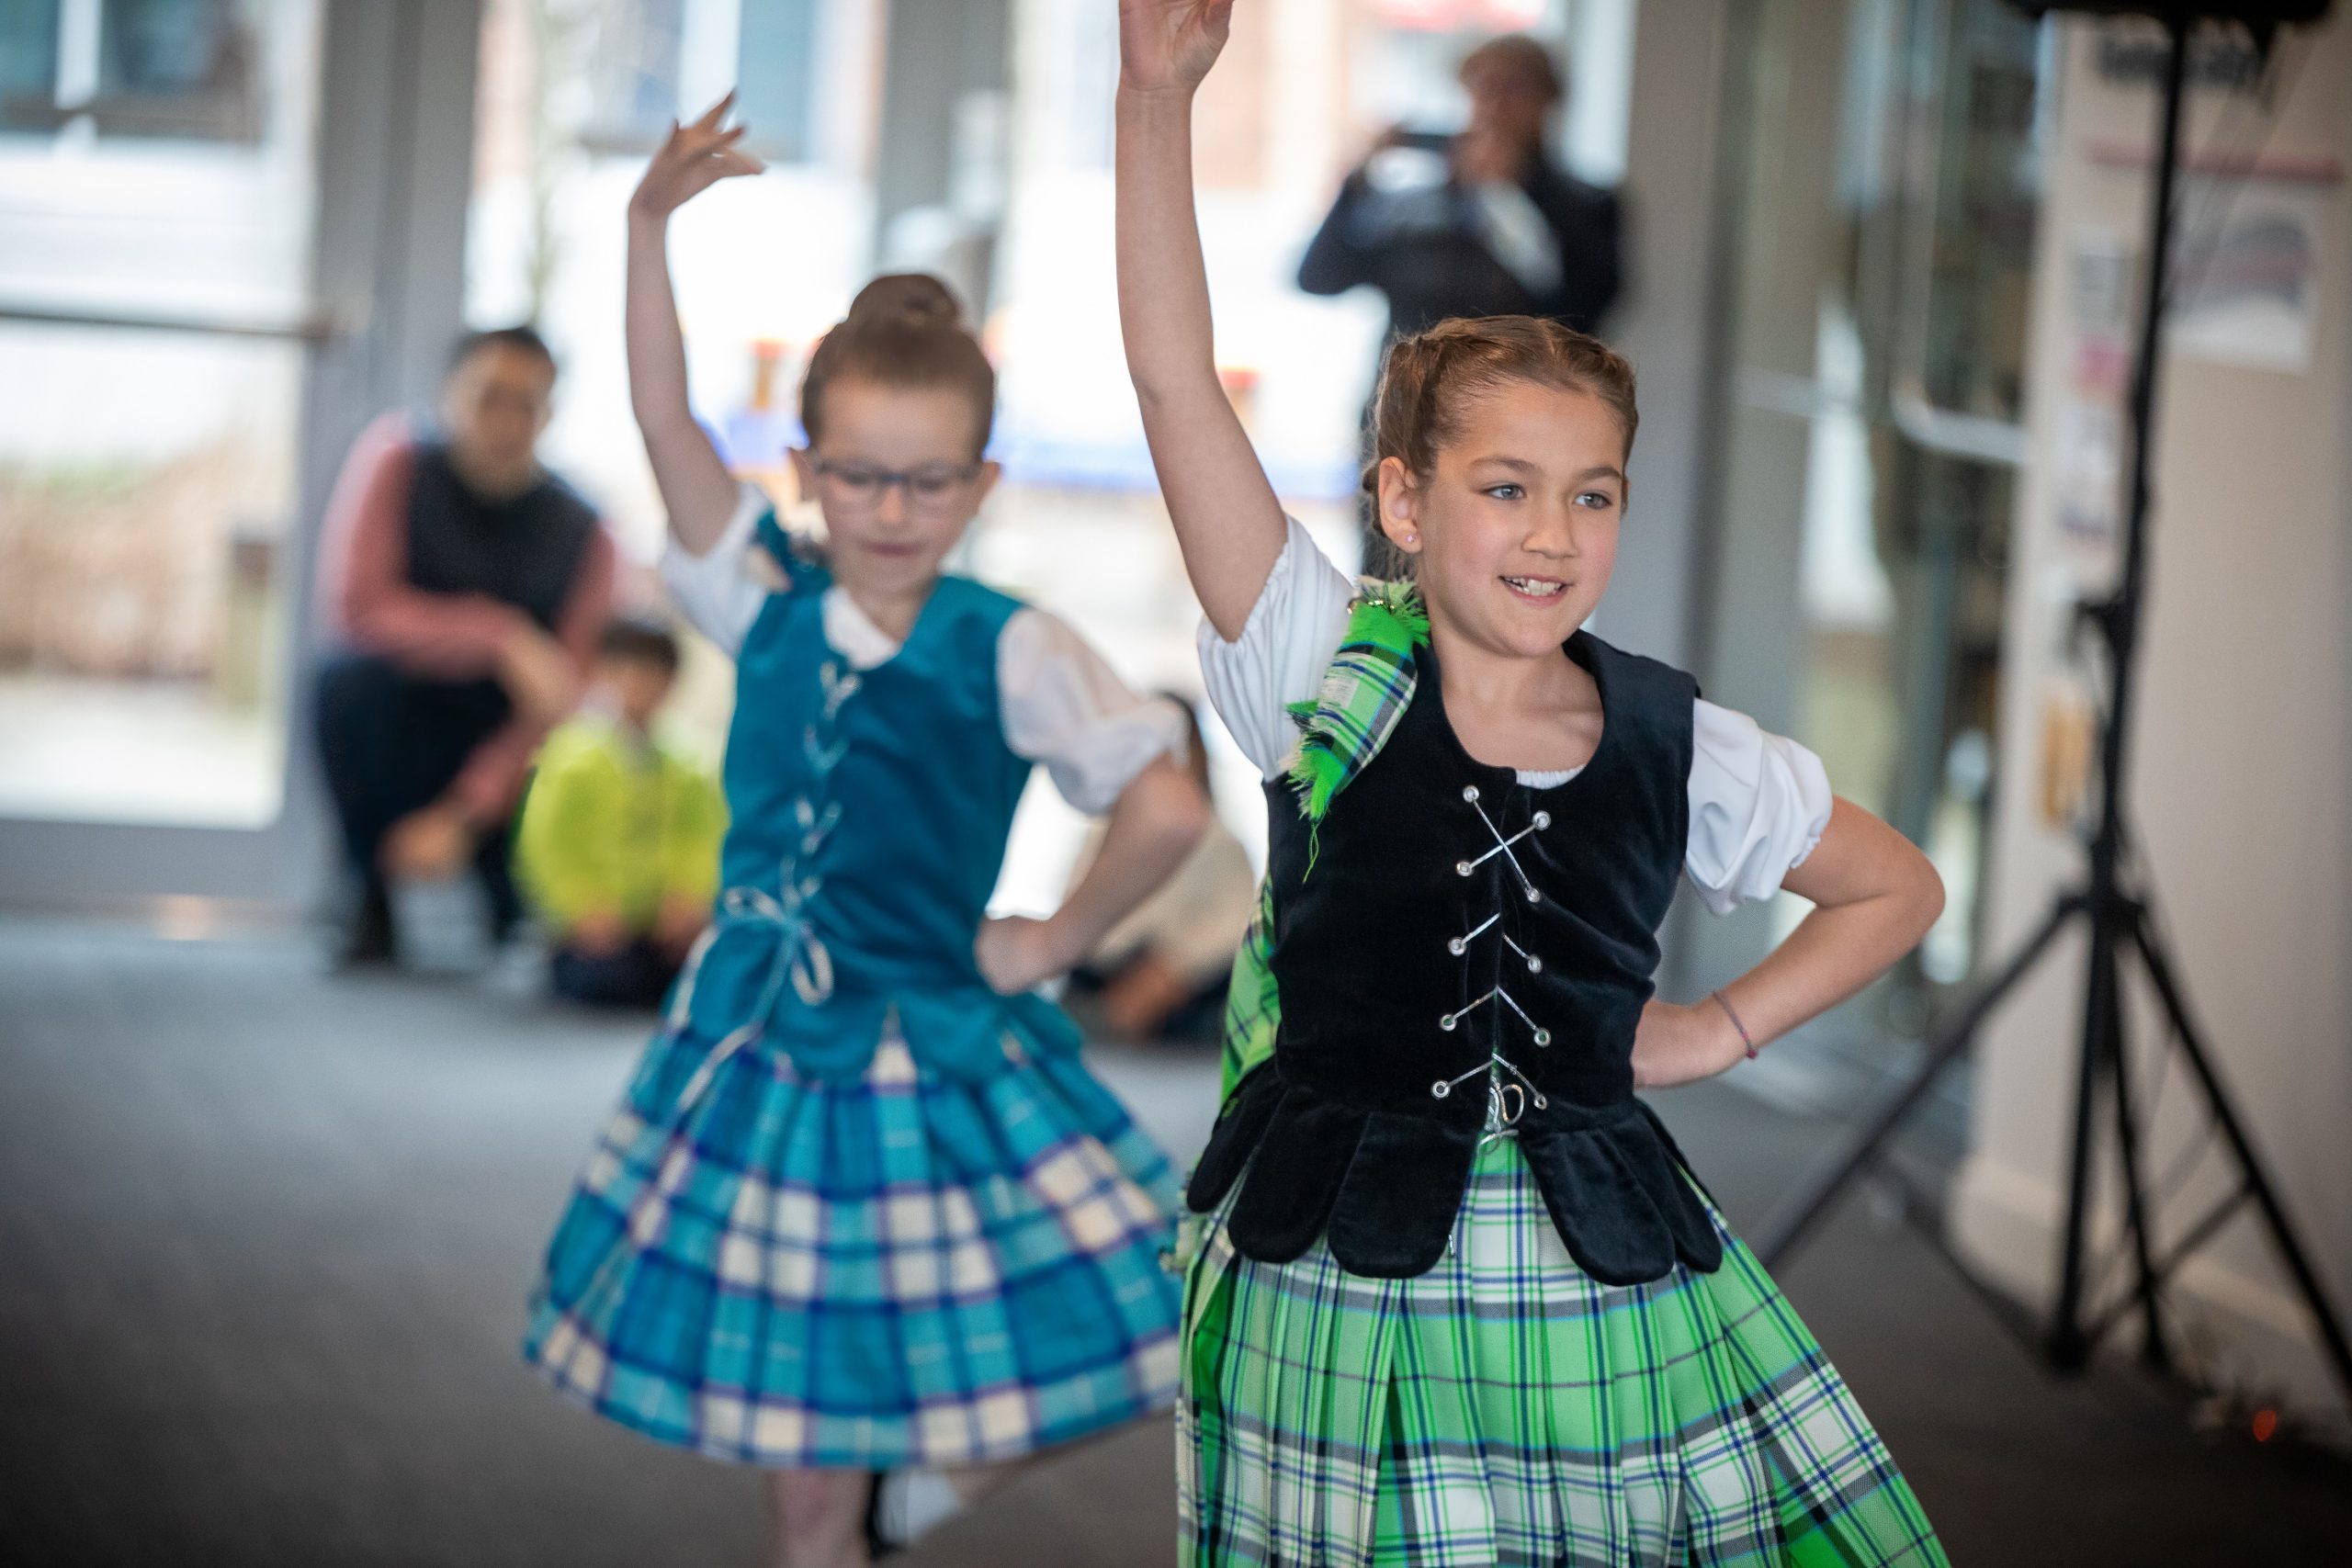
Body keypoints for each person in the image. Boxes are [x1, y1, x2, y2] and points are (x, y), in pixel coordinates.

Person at [1115, 6, 1951, 1564]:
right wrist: (1155, 103)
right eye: (1504, 490)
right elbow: (1174, 386)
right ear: (1405, 500)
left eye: (1593, 495)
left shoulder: (1669, 737)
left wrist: (1718, 1026)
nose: (1552, 534)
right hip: (1337, 1260)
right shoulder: (1318, 662)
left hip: (1581, 1261)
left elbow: (1899, 882)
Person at [524, 96, 1208, 1568]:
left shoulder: (1010, 644)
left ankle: (920, 1496)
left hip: (944, 1041)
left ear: (982, 484)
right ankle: (834, 1533)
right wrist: (645, 226)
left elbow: (1167, 802)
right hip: (764, 1046)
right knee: (804, 1418)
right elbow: (659, 416)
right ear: (805, 471)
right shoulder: (755, 593)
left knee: (1166, 1311)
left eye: (930, 480)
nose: (893, 510)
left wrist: (1055, 936)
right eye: (858, 475)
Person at [313, 325, 616, 964]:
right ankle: (369, 890)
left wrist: (465, 810)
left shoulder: (586, 528)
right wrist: (499, 636)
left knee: (578, 739)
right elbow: (358, 611)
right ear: (448, 395)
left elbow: (568, 691)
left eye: (526, 402)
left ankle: (509, 889)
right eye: (488, 396)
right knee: (344, 682)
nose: (505, 419)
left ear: (550, 412)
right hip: (406, 716)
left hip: (508, 744)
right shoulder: (398, 463)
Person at [1296, 33, 1623, 344]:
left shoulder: (1587, 204)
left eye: (1513, 90)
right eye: (1482, 88)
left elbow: (1584, 314)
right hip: (1407, 393)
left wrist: (1520, 187)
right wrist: (1358, 181)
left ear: (1548, 99)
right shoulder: (1419, 205)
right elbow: (1319, 279)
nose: (1494, 105)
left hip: (1516, 391)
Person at [513, 615, 727, 1010]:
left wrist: (689, 897)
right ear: (603, 672)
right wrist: (579, 908)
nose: (639, 685)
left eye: (653, 674)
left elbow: (703, 838)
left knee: (707, 975)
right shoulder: (571, 756)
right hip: (595, 926)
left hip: (660, 925)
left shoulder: (691, 763)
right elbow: (548, 845)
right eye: (627, 670)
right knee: (603, 980)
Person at [1064, 695, 1259, 1043]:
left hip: (1185, 990)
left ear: (1200, 759)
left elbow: (1230, 928)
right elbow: (1075, 916)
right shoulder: (1100, 835)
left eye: (1177, 752)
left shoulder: (1222, 842)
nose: (1162, 765)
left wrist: (1162, 977)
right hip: (1106, 981)